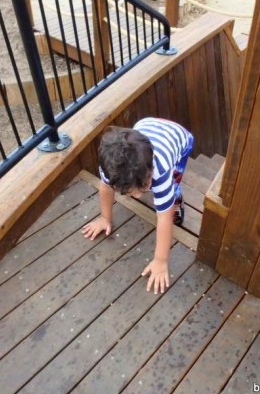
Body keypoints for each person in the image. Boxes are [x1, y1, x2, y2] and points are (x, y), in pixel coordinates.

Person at [82, 117, 194, 294]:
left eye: (143, 186)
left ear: (151, 169)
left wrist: (160, 260)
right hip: (146, 127)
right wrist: (105, 218)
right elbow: (105, 188)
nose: (138, 195)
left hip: (181, 139)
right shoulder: (110, 167)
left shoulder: (162, 169)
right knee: (155, 192)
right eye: (130, 192)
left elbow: (164, 218)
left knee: (171, 188)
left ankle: (176, 196)